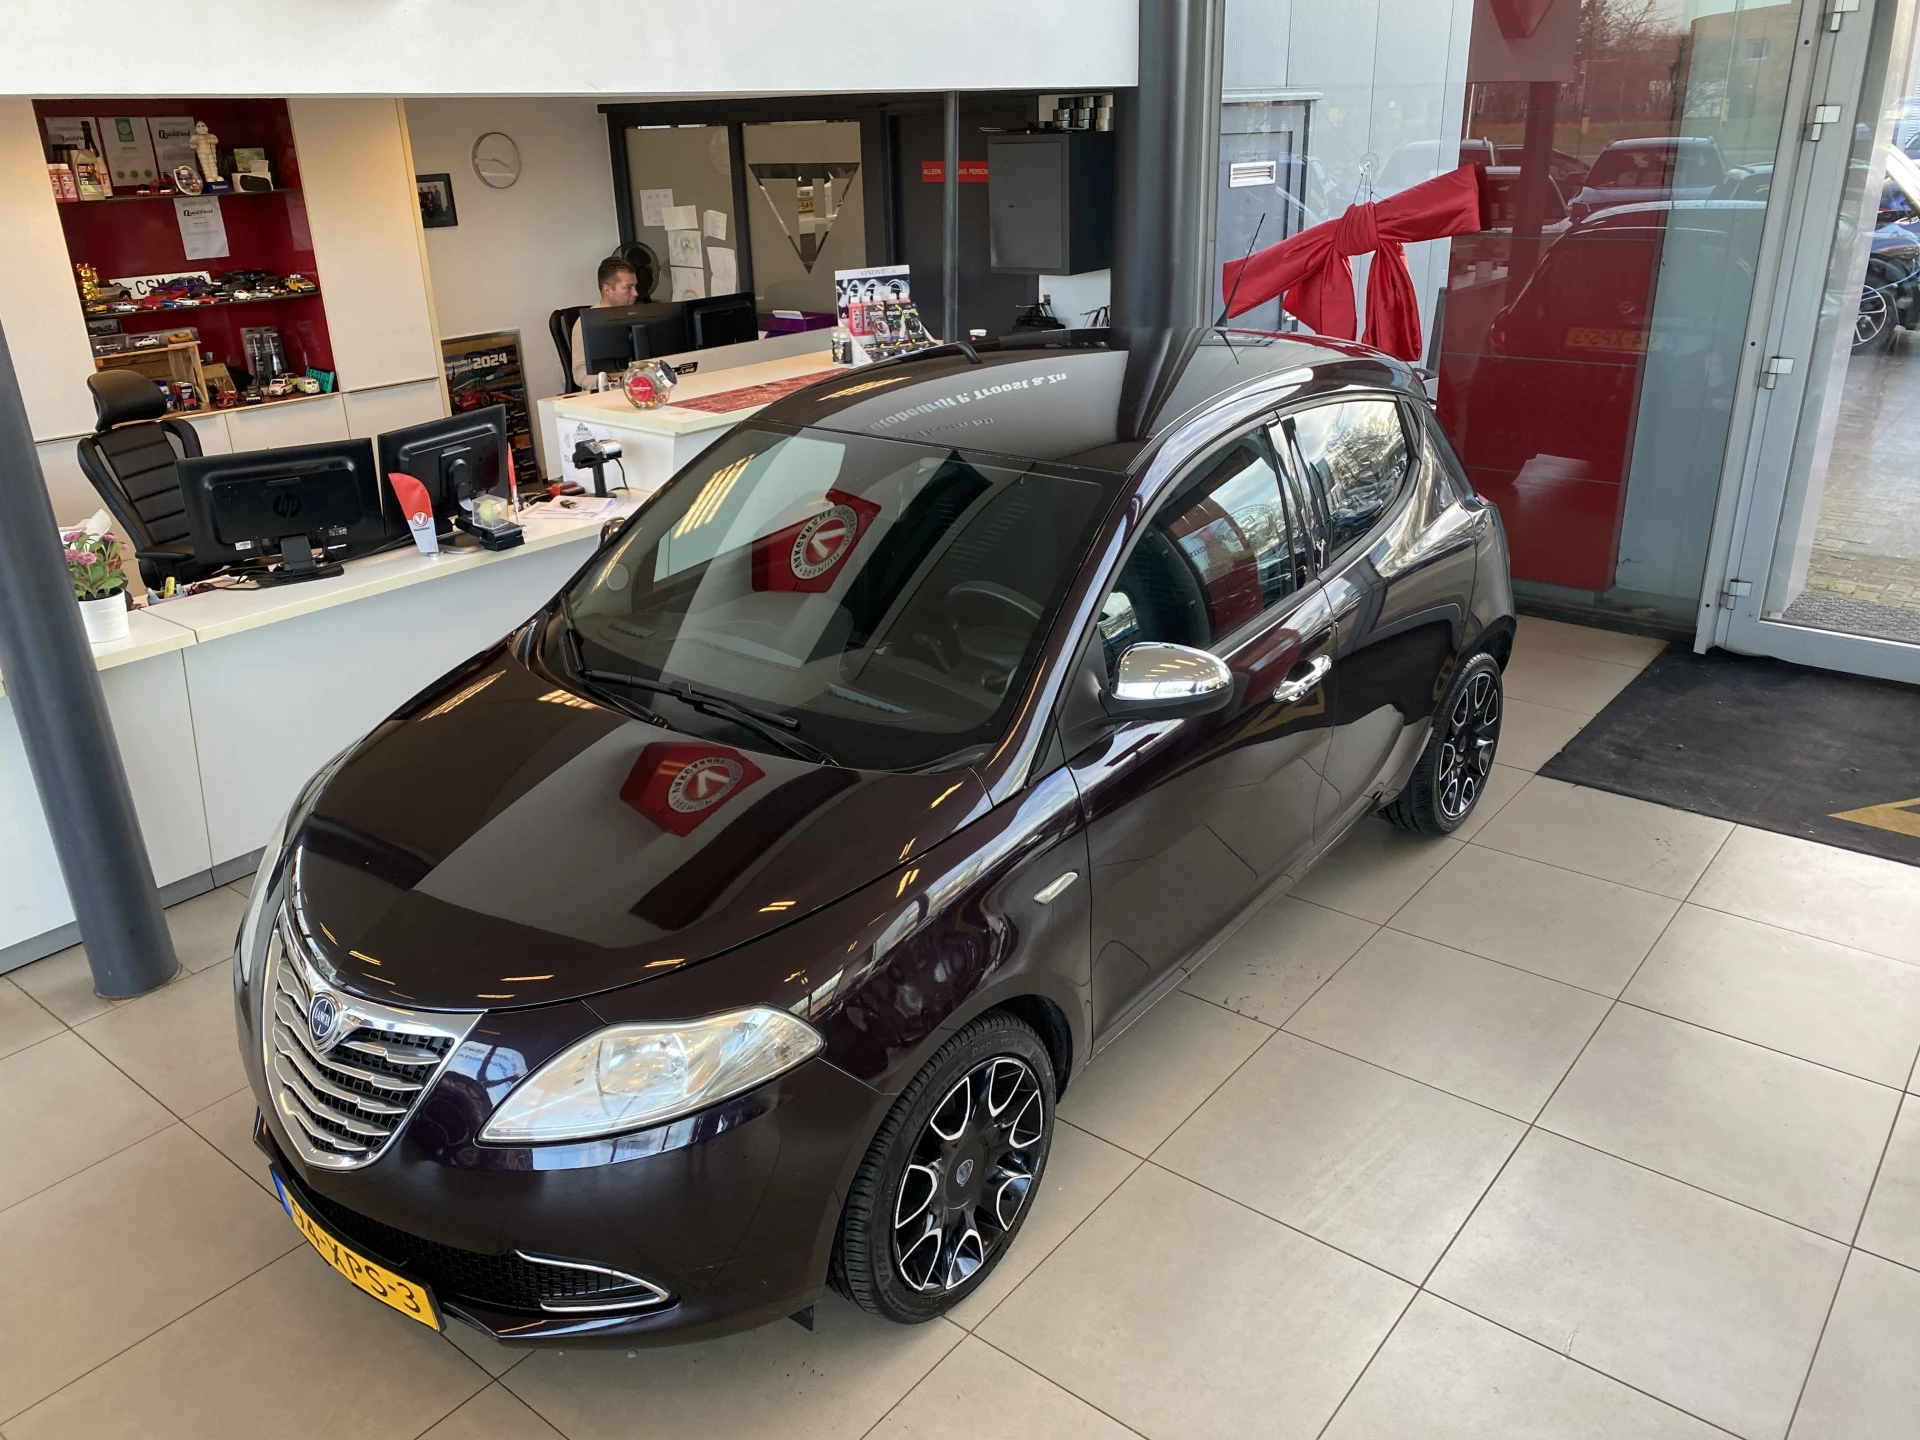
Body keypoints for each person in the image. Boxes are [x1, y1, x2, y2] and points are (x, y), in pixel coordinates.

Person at [569, 256, 640, 390]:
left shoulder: (638, 316)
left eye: (635, 286)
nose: (635, 293)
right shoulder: (586, 323)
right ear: (607, 290)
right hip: (606, 393)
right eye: (628, 287)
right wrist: (615, 382)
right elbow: (580, 373)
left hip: (640, 389)